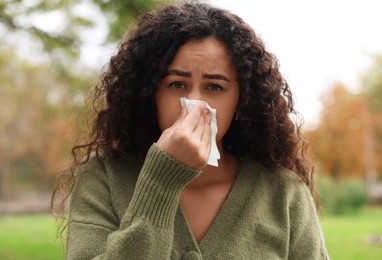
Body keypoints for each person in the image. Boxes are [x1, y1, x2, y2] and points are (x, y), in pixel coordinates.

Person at [52, 2, 330, 259]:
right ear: (150, 93)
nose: (195, 105)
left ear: (241, 101)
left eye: (214, 87)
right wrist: (161, 182)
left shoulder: (283, 192)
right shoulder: (103, 177)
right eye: (177, 85)